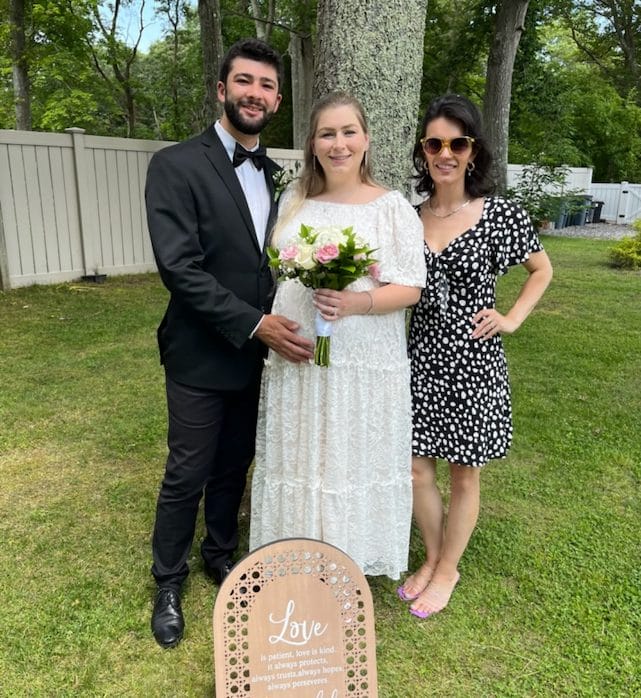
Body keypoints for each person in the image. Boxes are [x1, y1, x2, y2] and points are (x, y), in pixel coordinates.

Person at [145, 38, 314, 649]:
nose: (255, 94)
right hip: (198, 349)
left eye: (267, 86)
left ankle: (220, 554)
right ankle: (168, 580)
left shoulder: (277, 173)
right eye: (244, 82)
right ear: (222, 90)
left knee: (234, 462)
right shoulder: (175, 165)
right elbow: (180, 268)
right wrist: (254, 323)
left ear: (276, 99)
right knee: (187, 470)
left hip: (255, 354)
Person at [249, 92, 427, 579]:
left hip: (362, 358)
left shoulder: (392, 208)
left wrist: (355, 302)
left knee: (347, 454)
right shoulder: (294, 199)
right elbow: (281, 271)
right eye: (327, 133)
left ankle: (345, 557)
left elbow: (411, 286)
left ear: (366, 140)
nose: (338, 144)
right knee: (305, 451)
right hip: (298, 352)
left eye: (348, 132)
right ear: (312, 143)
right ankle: (296, 551)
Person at [397, 94, 553, 618]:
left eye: (457, 143)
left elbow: (542, 270)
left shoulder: (498, 214)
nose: (446, 153)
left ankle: (446, 571)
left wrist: (510, 318)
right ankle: (436, 558)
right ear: (424, 150)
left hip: (473, 361)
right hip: (419, 357)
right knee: (418, 470)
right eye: (435, 142)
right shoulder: (407, 216)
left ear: (472, 151)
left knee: (465, 471)